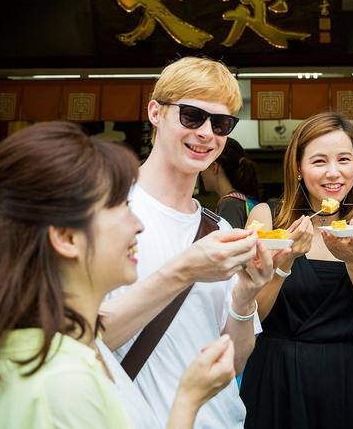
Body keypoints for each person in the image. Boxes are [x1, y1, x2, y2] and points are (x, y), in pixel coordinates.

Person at [0, 121, 236, 428]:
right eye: (122, 206)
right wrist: (188, 401)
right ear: (67, 237)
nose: (137, 224)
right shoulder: (64, 383)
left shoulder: (37, 347)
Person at [102, 57, 279, 429]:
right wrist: (185, 269)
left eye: (221, 124)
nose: (206, 133)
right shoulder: (108, 209)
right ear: (155, 112)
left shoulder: (216, 230)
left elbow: (234, 364)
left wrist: (245, 296)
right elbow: (84, 339)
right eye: (191, 116)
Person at [240, 112, 353, 429]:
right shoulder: (266, 219)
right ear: (298, 167)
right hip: (275, 375)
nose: (334, 173)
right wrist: (286, 261)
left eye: (343, 160)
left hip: (342, 380)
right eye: (319, 161)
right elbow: (249, 315)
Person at [200, 138, 260, 229]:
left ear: (214, 167)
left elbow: (229, 242)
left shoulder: (229, 204)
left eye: (204, 166)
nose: (201, 173)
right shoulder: (243, 199)